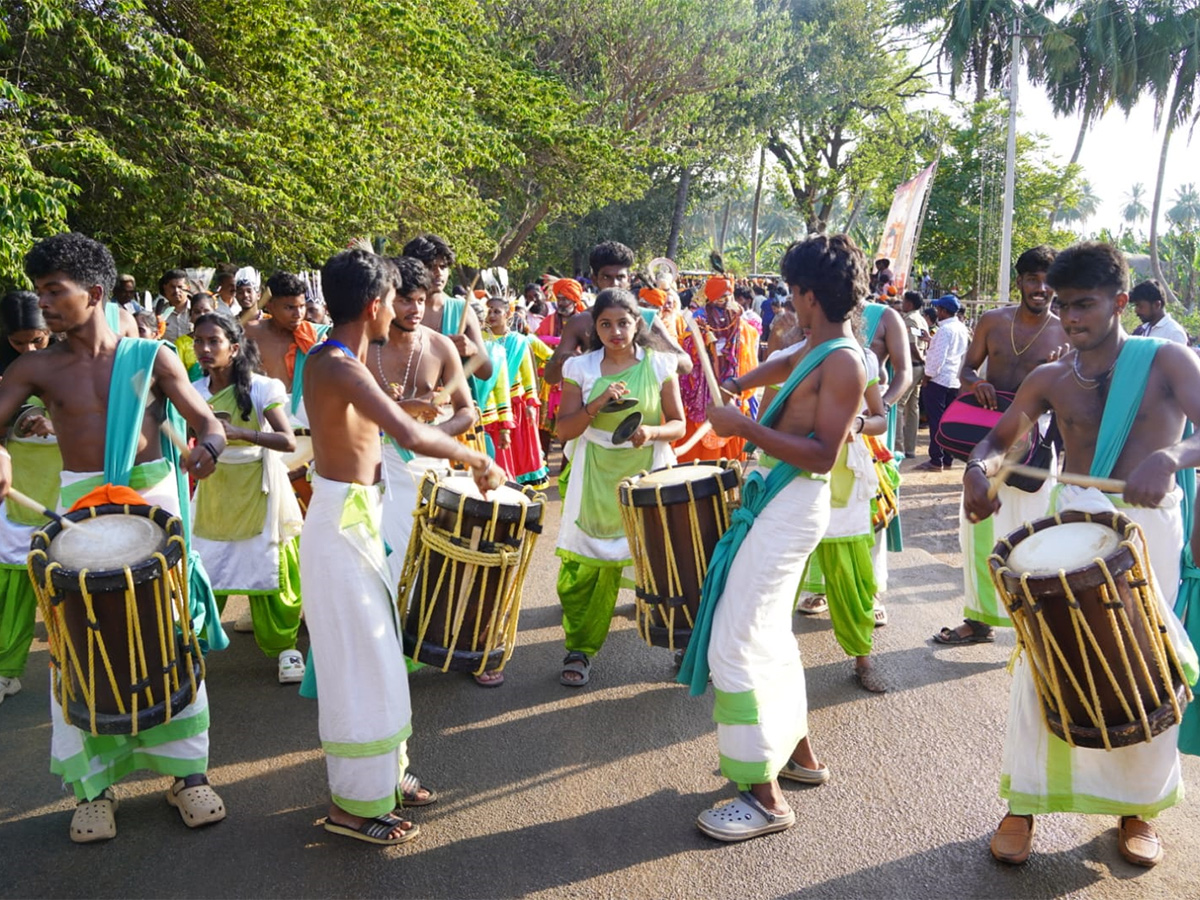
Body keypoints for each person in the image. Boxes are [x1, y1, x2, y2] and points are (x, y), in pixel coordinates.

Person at [961, 241, 1200, 868]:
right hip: (1069, 523)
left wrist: (1172, 456)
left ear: (1121, 301)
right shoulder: (1050, 378)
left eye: (1085, 304)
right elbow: (999, 436)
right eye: (1064, 305)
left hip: (1148, 532)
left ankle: (1137, 809)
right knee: (1043, 663)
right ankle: (1024, 805)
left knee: (1139, 665)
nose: (1070, 317)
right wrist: (977, 469)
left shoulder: (1168, 363)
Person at [0, 232, 229, 842]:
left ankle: (188, 776)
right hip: (78, 512)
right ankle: (92, 789)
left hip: (149, 505)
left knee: (167, 635)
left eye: (56, 291)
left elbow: (206, 420)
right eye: (40, 291)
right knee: (78, 645)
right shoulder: (34, 366)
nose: (44, 303)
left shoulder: (151, 356)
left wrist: (208, 446)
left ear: (94, 293)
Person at [299, 248, 503, 846]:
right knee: (359, 666)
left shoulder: (341, 359)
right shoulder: (339, 364)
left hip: (357, 519)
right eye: (394, 299)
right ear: (374, 306)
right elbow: (411, 434)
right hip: (341, 528)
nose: (402, 310)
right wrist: (478, 459)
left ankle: (384, 777)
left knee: (380, 659)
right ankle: (351, 809)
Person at [678, 233, 868, 842]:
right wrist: (733, 384)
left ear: (809, 295)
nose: (787, 302)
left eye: (792, 292)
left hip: (790, 504)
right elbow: (776, 369)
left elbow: (821, 455)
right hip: (776, 503)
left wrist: (743, 427)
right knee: (769, 633)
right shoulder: (816, 345)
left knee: (735, 641)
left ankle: (763, 796)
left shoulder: (843, 359)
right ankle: (800, 754)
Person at [936, 245, 1066, 645]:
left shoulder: (1065, 331)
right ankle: (978, 621)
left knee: (1032, 532)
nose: (1040, 288)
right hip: (989, 441)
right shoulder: (993, 322)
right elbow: (965, 370)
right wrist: (978, 383)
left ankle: (1033, 623)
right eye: (1032, 279)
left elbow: (1079, 394)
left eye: (1047, 281)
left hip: (1036, 445)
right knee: (977, 529)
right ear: (1021, 281)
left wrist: (1060, 371)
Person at [554, 288, 684, 687]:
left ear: (637, 324)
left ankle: (682, 641)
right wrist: (596, 405)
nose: (615, 332)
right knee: (585, 568)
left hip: (648, 473)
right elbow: (564, 430)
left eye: (623, 323)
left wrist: (653, 431)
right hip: (595, 476)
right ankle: (580, 648)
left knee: (665, 561)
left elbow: (678, 425)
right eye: (606, 324)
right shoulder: (580, 368)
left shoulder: (661, 364)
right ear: (594, 327)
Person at [190, 312, 305, 684]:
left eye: (214, 342)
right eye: (198, 341)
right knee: (207, 565)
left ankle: (286, 649)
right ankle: (195, 647)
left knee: (269, 567)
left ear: (234, 348)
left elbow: (287, 441)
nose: (204, 349)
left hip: (259, 486)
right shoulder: (193, 391)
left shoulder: (261, 388)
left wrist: (239, 432)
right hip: (215, 489)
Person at [373, 256, 475, 595]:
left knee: (430, 559)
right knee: (386, 559)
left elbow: (466, 413)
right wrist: (403, 412)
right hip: (377, 467)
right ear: (387, 299)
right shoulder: (365, 345)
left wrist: (430, 435)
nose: (415, 308)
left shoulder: (439, 345)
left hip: (430, 467)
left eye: (420, 299)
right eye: (405, 300)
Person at [0, 291, 57, 707]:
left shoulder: (74, 361)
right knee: (12, 592)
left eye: (37, 340)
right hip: (16, 496)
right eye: (18, 343)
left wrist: (56, 421)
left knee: (69, 587)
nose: (29, 350)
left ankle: (76, 665)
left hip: (66, 489)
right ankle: (6, 671)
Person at [542, 241, 692, 388]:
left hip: (641, 407)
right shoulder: (580, 322)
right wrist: (565, 361)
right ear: (594, 279)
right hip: (594, 408)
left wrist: (652, 354)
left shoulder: (647, 318)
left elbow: (686, 364)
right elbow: (550, 377)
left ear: (629, 279)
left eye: (620, 277)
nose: (614, 284)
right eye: (607, 277)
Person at [675, 275, 760, 463]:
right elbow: (686, 354)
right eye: (721, 296)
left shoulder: (741, 322)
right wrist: (702, 343)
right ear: (711, 298)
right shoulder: (697, 319)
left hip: (731, 388)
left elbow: (749, 354)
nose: (726, 300)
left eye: (729, 295)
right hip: (702, 391)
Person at [400, 234, 493, 381]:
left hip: (453, 401)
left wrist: (472, 350)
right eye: (430, 267)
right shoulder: (398, 309)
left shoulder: (462, 310)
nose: (438, 273)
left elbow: (487, 373)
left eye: (443, 267)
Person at [244, 271, 328, 427]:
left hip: (304, 415)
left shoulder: (315, 336)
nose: (298, 314)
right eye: (289, 307)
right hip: (262, 414)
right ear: (269, 304)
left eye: (302, 306)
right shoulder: (250, 333)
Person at [485, 296, 551, 490]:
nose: (491, 315)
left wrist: (531, 403)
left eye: (497, 311)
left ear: (508, 315)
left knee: (518, 450)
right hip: (489, 404)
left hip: (515, 404)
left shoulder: (519, 341)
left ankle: (518, 489)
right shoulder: (479, 337)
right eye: (489, 310)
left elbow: (528, 374)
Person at [915, 295, 969, 471]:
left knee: (936, 421)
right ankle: (947, 458)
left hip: (938, 380)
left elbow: (938, 359)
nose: (937, 312)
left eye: (939, 309)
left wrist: (927, 377)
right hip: (953, 379)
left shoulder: (944, 330)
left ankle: (936, 459)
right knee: (948, 421)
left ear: (944, 311)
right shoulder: (961, 328)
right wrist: (931, 341)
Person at [894, 291, 928, 460]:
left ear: (910, 303)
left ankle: (898, 446)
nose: (902, 303)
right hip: (920, 367)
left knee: (899, 405)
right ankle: (910, 448)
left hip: (912, 365)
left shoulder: (910, 319)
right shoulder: (921, 319)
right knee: (912, 408)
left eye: (904, 301)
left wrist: (921, 358)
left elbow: (912, 344)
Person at [174, 291, 218, 381]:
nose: (202, 316)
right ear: (190, 315)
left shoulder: (222, 340)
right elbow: (178, 376)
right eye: (197, 312)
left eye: (206, 311)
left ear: (215, 314)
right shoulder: (181, 343)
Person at [1131, 279, 1189, 345]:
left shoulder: (1174, 333)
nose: (1136, 310)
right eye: (1136, 306)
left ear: (1157, 305)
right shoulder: (1142, 330)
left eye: (1140, 306)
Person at [156, 269, 192, 341]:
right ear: (165, 288)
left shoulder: (197, 310)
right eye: (172, 287)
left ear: (188, 288)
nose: (176, 291)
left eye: (180, 287)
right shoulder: (158, 312)